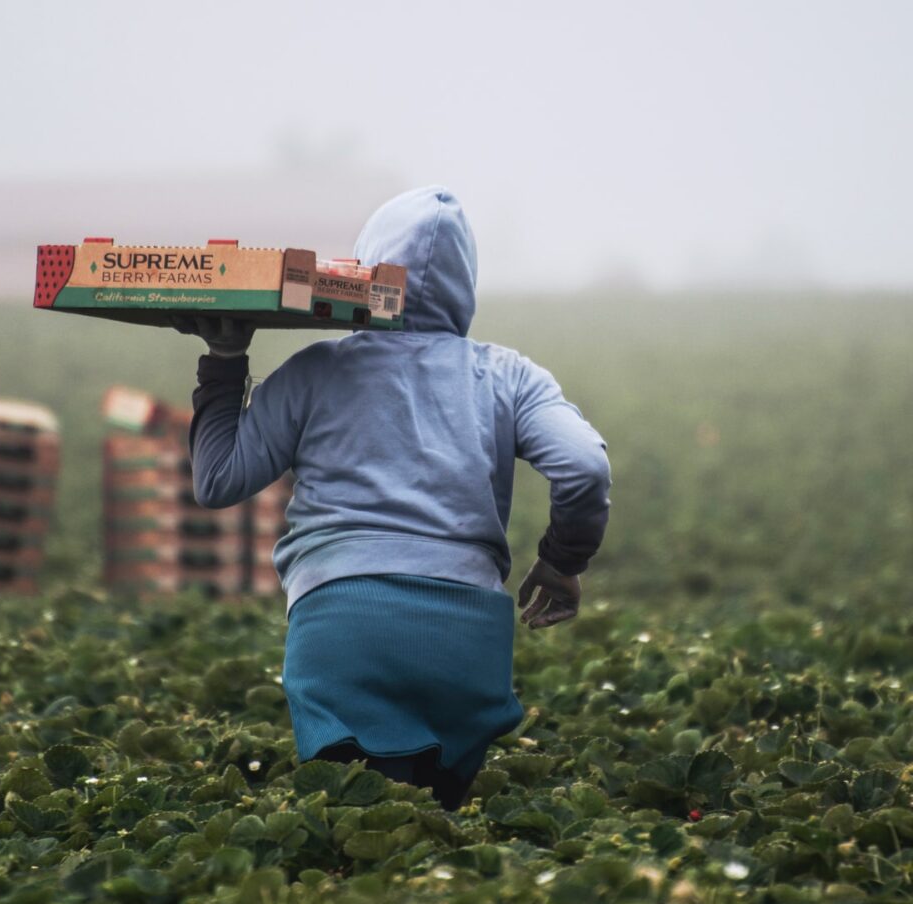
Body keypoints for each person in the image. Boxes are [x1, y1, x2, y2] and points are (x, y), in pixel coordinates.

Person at [175, 185, 611, 811]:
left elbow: (217, 480)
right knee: (441, 842)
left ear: (364, 270)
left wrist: (224, 358)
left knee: (354, 832)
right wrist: (563, 562)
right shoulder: (510, 375)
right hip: (466, 641)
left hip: (340, 627)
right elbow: (584, 466)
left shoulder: (315, 370)